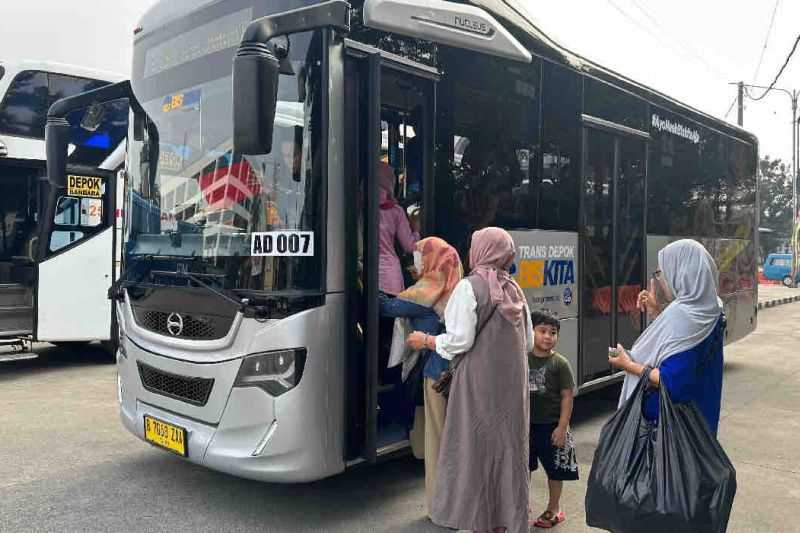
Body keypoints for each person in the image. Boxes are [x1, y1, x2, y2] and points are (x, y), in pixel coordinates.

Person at [407, 227, 533, 533]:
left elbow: (459, 341)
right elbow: (528, 342)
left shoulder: (469, 287)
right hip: (513, 388)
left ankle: (481, 523)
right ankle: (506, 521)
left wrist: (427, 340)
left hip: (478, 385)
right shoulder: (515, 289)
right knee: (508, 451)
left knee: (474, 451)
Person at [379, 237, 463, 519]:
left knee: (438, 439)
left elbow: (390, 308)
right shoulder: (455, 288)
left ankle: (443, 508)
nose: (414, 262)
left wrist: (365, 284)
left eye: (418, 256)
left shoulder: (427, 292)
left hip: (436, 372)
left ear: (432, 260)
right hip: (454, 371)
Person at [609, 239, 725, 435]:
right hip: (700, 422)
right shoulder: (713, 308)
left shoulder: (683, 316)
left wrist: (627, 364)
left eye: (661, 273)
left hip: (668, 432)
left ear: (681, 271)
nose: (661, 280)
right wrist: (657, 313)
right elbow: (681, 348)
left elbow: (671, 383)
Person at [528, 311, 578, 529]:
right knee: (523, 468)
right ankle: (521, 502)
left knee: (554, 470)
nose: (547, 337)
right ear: (530, 332)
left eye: (553, 333)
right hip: (526, 425)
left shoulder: (560, 364)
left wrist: (561, 427)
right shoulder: (522, 358)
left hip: (551, 426)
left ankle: (554, 508)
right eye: (542, 331)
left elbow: (567, 396)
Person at [378, 162, 420, 296]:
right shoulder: (396, 211)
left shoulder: (359, 205)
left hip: (365, 277)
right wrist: (416, 230)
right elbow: (409, 246)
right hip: (390, 279)